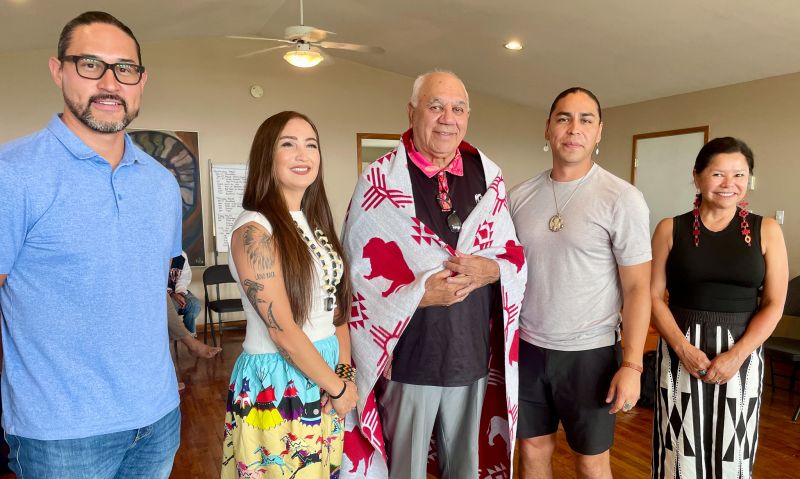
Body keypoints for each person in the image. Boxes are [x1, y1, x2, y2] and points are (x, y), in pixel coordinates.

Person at [0, 11, 182, 478]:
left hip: (158, 418)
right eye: (89, 65)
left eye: (124, 68)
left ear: (141, 81)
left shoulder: (162, 185)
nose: (109, 82)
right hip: (62, 434)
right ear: (58, 70)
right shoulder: (13, 172)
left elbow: (155, 285)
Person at [341, 71, 527, 479]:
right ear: (412, 113)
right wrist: (417, 297)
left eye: (458, 108)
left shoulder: (488, 176)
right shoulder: (381, 180)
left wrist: (489, 269)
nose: (448, 118)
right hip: (410, 358)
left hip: (470, 353)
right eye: (435, 106)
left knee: (464, 468)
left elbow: (513, 257)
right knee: (404, 469)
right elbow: (356, 278)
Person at [510, 87, 652, 479]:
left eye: (585, 119)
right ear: (548, 129)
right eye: (563, 118)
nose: (574, 129)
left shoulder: (622, 198)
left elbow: (638, 288)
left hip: (590, 353)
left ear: (599, 131)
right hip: (528, 348)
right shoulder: (519, 197)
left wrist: (633, 365)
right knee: (532, 449)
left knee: (590, 461)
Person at [221, 111, 357, 478]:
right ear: (268, 155)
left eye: (311, 145)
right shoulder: (254, 230)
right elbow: (282, 331)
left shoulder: (314, 222)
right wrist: (338, 387)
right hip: (280, 378)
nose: (303, 154)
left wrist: (342, 372)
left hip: (326, 370)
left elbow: (335, 309)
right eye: (289, 144)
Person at [650, 137, 788, 479]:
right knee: (678, 451)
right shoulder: (670, 228)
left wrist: (738, 354)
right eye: (718, 174)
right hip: (680, 349)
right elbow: (651, 297)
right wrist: (683, 349)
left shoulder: (767, 229)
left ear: (749, 179)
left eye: (739, 175)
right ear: (697, 177)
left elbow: (774, 303)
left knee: (734, 452)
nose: (729, 184)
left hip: (742, 351)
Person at [167, 293, 221, 360]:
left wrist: (179, 292)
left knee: (194, 305)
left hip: (178, 290)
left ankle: (191, 338)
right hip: (166, 292)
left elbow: (183, 282)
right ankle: (191, 343)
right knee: (165, 304)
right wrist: (172, 293)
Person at [169, 251, 202, 335]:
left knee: (194, 305)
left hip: (179, 291)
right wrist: (172, 294)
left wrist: (180, 293)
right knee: (172, 306)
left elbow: (184, 277)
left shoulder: (181, 255)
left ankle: (190, 335)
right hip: (163, 294)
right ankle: (173, 337)